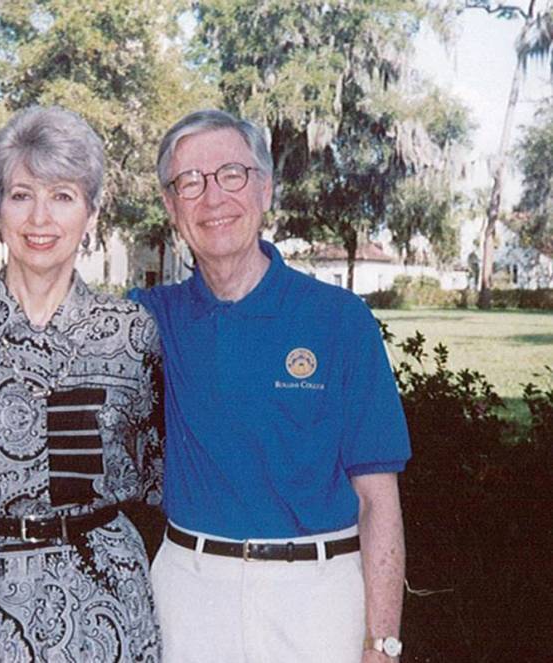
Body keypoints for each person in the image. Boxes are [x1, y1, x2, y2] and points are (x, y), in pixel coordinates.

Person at [129, 109, 411, 662]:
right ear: (170, 205)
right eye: (190, 182)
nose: (212, 199)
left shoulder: (339, 320)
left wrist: (382, 642)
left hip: (317, 600)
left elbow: (379, 503)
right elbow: (30, 334)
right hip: (189, 596)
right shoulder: (147, 320)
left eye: (232, 174)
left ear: (265, 189)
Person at [0, 106, 164, 662]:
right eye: (21, 194)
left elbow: (154, 472)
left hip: (105, 601)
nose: (40, 217)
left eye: (63, 195)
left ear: (90, 213)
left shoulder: (130, 334)